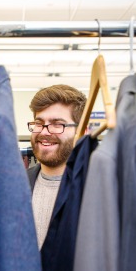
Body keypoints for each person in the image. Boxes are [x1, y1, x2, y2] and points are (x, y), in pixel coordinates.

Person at [27, 84, 86, 250]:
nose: (44, 132)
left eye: (57, 124)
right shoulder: (15, 185)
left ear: (80, 131)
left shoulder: (94, 187)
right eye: (39, 123)